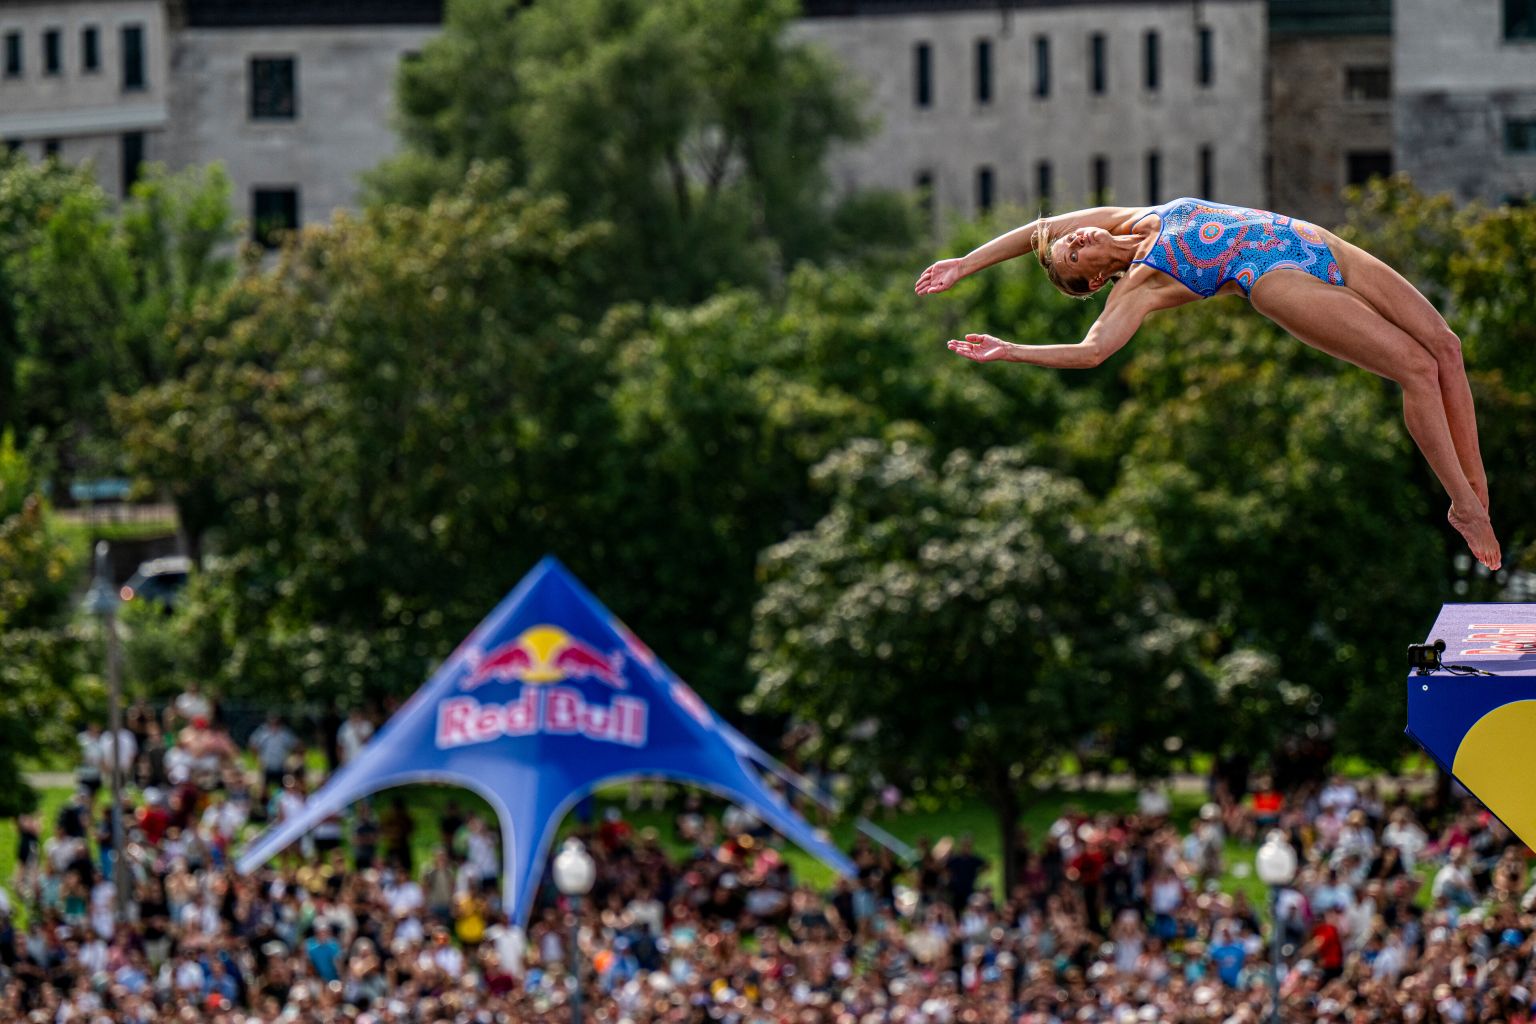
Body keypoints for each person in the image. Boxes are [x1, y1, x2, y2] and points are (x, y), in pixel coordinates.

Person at [915, 198, 1500, 569]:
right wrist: (1011, 350)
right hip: (1276, 276)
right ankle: (1461, 502)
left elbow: (1037, 227)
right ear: (1093, 278)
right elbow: (1093, 352)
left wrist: (965, 264)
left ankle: (1478, 500)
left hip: (1314, 239)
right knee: (1416, 369)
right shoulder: (1138, 286)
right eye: (1072, 258)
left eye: (1070, 240)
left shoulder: (1132, 216)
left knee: (1447, 348)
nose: (1072, 240)